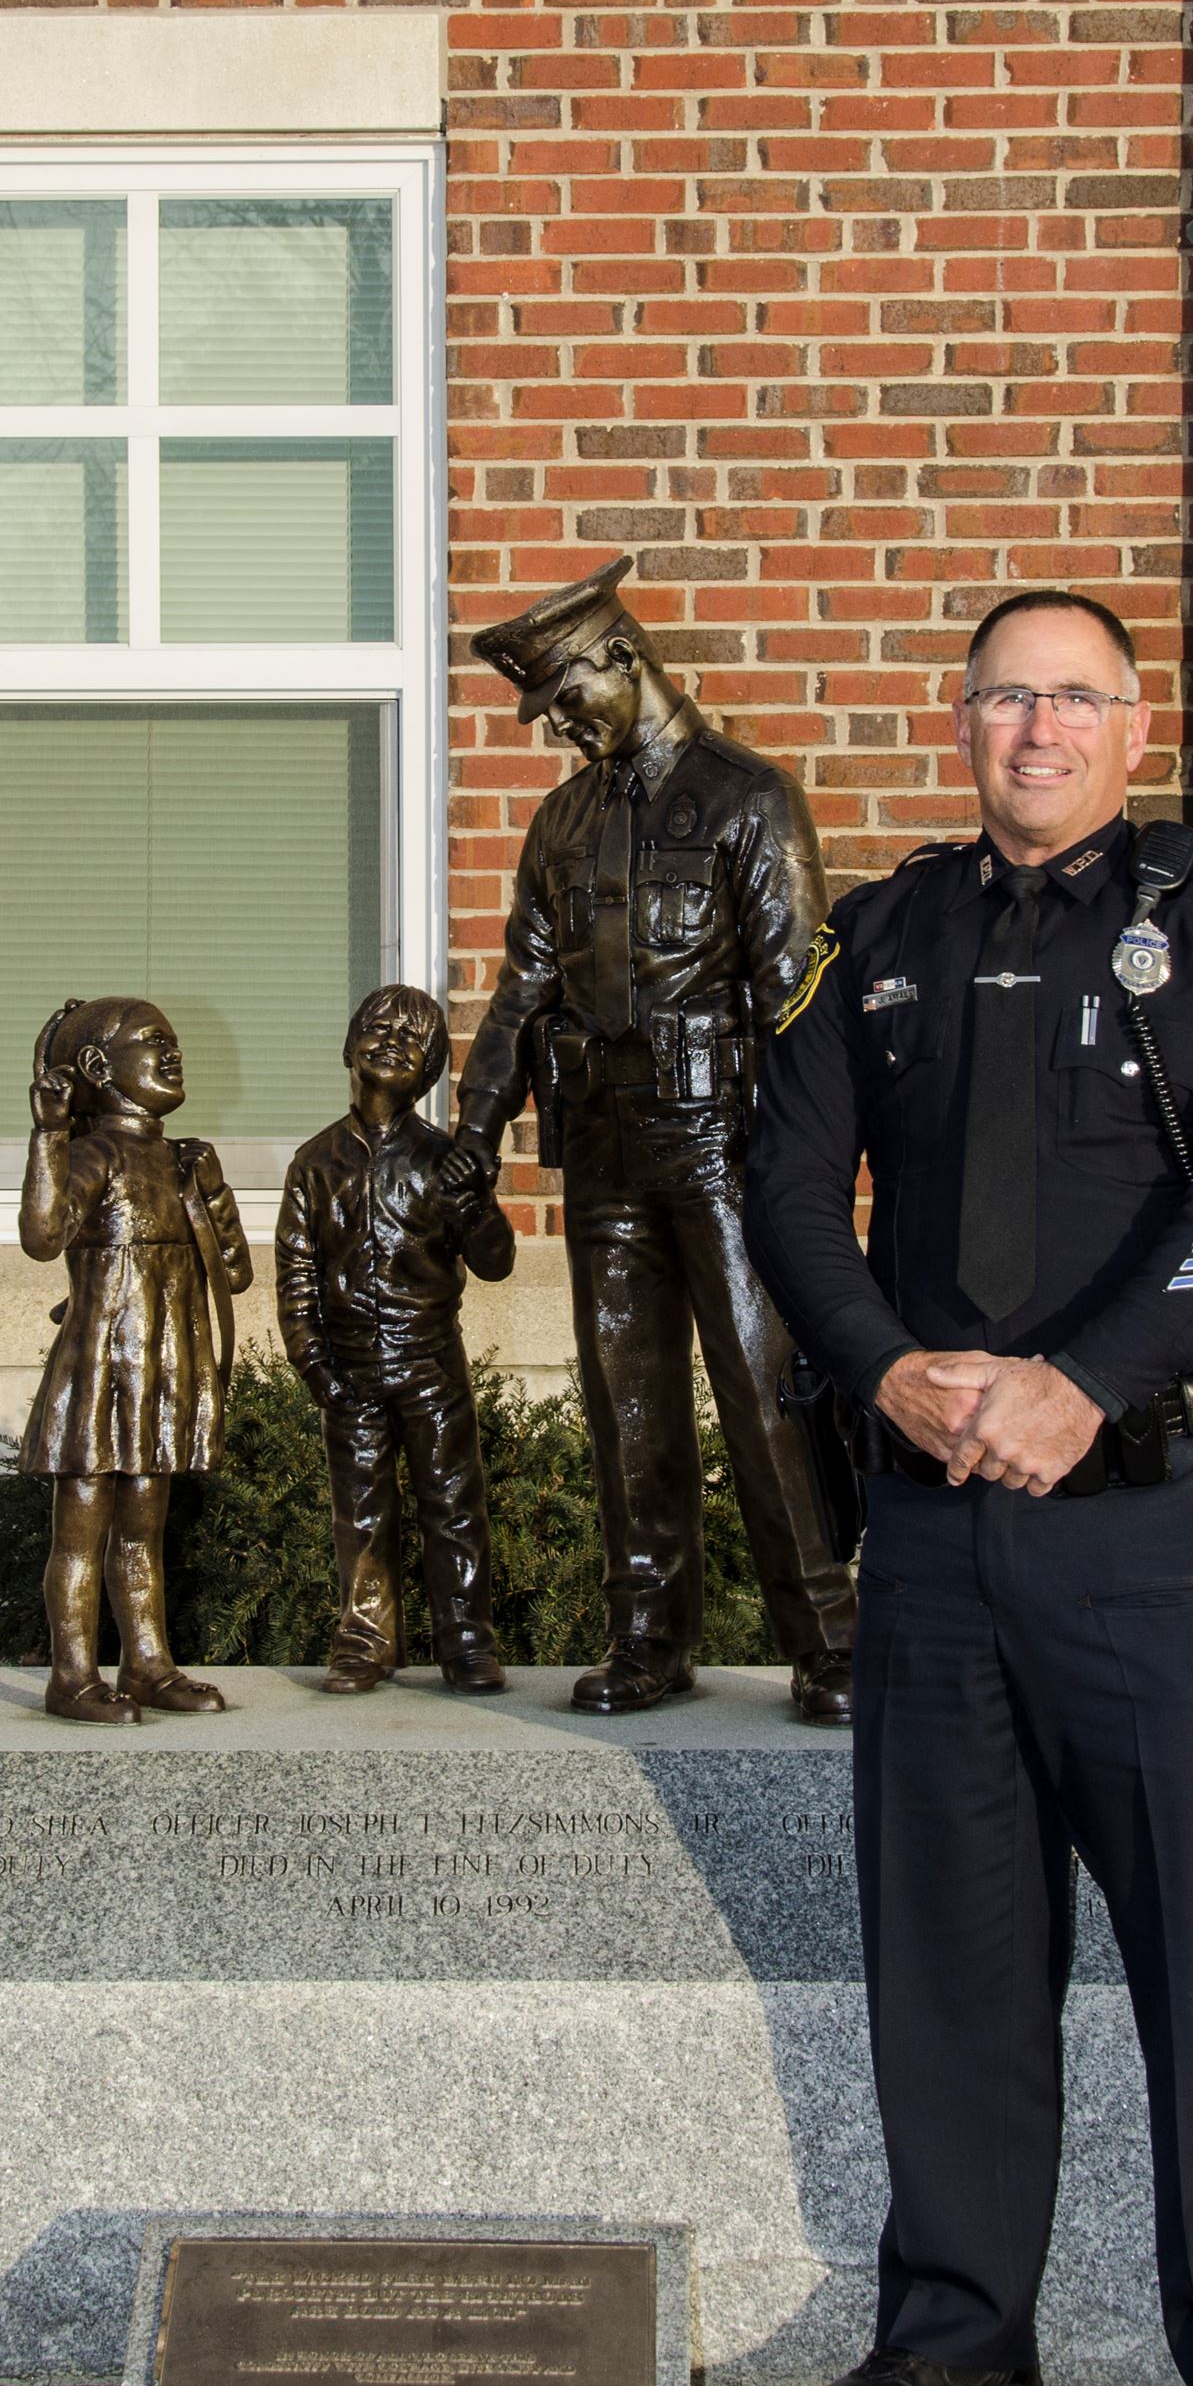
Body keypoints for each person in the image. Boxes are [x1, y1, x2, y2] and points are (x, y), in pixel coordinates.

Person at [743, 591, 1193, 2386]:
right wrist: (881, 1369)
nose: (1038, 731)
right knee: (953, 1961)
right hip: (934, 1547)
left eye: (1073, 699)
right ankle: (958, 2342)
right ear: (965, 720)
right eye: (1008, 698)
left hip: (1152, 1541)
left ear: (1131, 723)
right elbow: (784, 1184)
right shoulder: (880, 936)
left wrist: (1088, 1379)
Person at [439, 555, 858, 1720]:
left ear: (624, 659)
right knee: (626, 1403)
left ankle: (829, 1642)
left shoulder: (747, 798)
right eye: (549, 712)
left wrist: (807, 1178)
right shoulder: (564, 819)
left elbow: (796, 1004)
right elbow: (523, 988)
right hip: (606, 1147)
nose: (562, 725)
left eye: (571, 697)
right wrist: (474, 1126)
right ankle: (647, 1639)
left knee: (763, 1394)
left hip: (723, 1147)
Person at [20, 995, 255, 1725]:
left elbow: (235, 1272)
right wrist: (48, 1138)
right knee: (83, 1526)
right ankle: (73, 1674)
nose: (173, 1051)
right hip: (99, 1369)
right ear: (98, 1066)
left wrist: (210, 1193)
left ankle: (148, 1662)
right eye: (155, 1041)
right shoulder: (94, 1154)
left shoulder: (181, 1159)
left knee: (143, 1530)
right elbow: (41, 1233)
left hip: (161, 1368)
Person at [276, 984, 514, 1696]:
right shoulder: (314, 1164)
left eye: (412, 1040)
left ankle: (466, 1637)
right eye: (377, 1028)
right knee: (360, 1508)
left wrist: (475, 1202)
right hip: (347, 1367)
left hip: (429, 1363)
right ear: (348, 1047)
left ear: (430, 1071)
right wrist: (315, 1367)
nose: (390, 1041)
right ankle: (364, 1637)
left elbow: (495, 1261)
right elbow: (295, 1276)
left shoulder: (443, 1161)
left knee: (450, 1500)